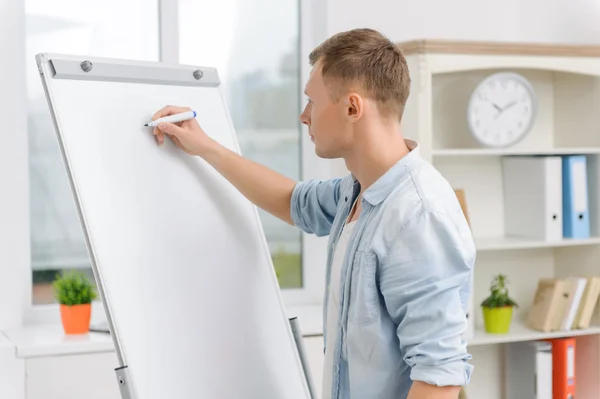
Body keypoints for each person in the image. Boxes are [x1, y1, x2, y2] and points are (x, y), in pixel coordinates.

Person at [151, 28, 475, 399]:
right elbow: (292, 200)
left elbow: (439, 379)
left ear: (352, 108)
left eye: (312, 102)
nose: (304, 116)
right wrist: (205, 146)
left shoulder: (418, 216)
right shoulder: (360, 192)